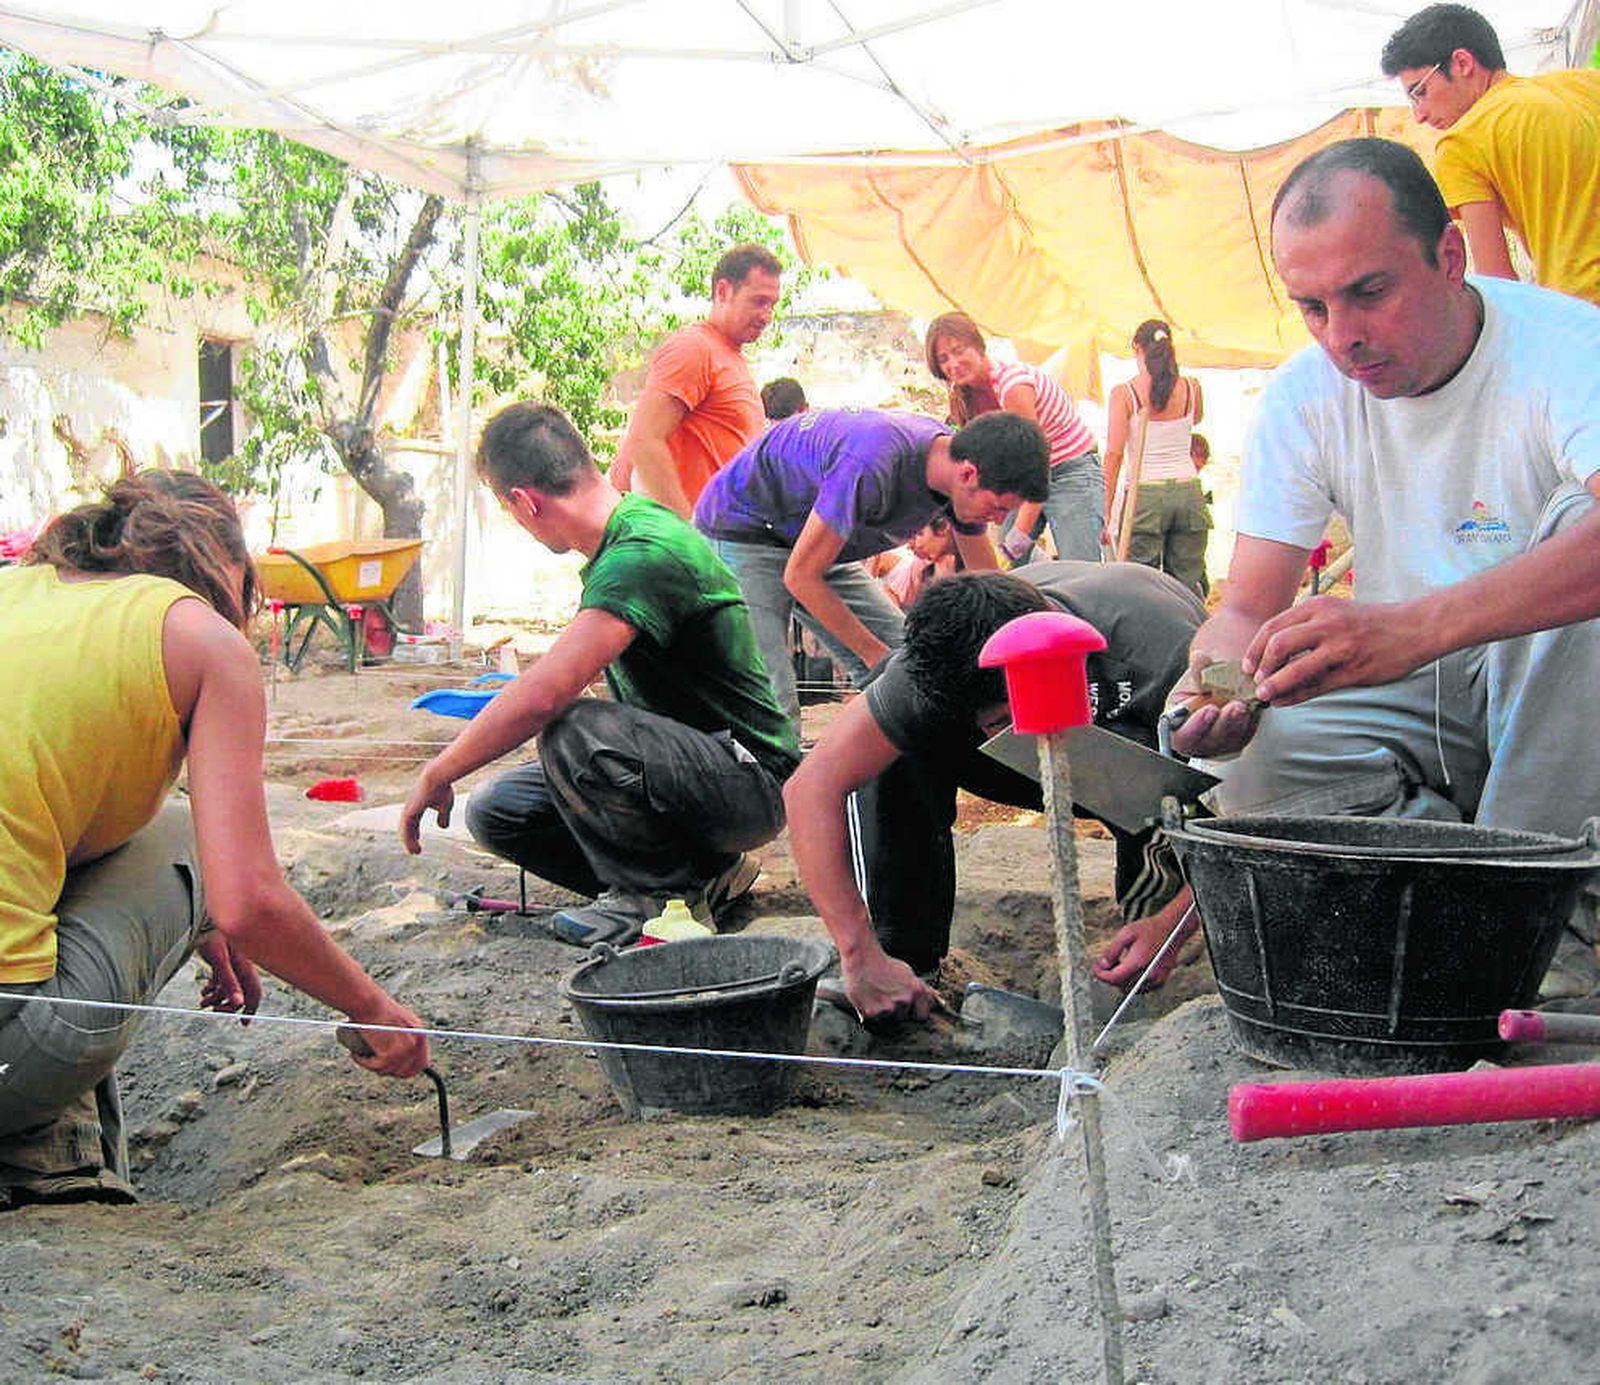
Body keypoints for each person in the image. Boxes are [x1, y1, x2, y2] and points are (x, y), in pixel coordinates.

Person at [1101, 137, 1600, 998]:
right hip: (1420, 684)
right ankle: (1454, 859)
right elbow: (1250, 601)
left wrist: (1410, 628)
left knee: (1581, 533)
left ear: (1449, 255)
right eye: (1313, 307)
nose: (1344, 336)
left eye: (1369, 292)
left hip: (1553, 688)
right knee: (1242, 764)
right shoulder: (1305, 393)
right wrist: (1213, 688)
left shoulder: (1567, 347)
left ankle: (1537, 906)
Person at [0, 473, 428, 1208]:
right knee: (187, 830)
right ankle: (45, 1153)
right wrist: (373, 1008)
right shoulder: (199, 636)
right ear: (223, 565)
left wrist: (197, 922)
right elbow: (249, 901)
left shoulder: (17, 591)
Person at [401, 403, 799, 947]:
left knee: (574, 728)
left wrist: (438, 771)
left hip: (749, 781)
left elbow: (546, 695)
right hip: (697, 771)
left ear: (523, 502)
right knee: (500, 812)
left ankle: (654, 902)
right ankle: (700, 881)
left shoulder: (642, 552)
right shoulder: (625, 537)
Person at [785, 564, 1203, 1023]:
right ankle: (905, 960)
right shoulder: (937, 667)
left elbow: (1248, 813)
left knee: (1166, 845)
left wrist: (1171, 926)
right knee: (895, 754)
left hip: (1142, 749)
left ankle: (1148, 922)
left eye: (1005, 717)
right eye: (990, 724)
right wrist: (859, 953)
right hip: (1014, 740)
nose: (1005, 733)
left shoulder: (1167, 657)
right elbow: (809, 790)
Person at [693, 407, 1049, 721]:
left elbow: (988, 581)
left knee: (913, 664)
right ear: (969, 474)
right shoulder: (872, 461)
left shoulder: (960, 473)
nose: (998, 518)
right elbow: (801, 576)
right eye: (1000, 508)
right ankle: (774, 792)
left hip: (817, 540)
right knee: (773, 699)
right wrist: (872, 655)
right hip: (744, 529)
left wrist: (1028, 639)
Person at [1381, 4, 1600, 305]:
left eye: (1420, 92)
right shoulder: (1585, 84)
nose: (1418, 115)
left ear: (1462, 62)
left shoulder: (1462, 144)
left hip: (1586, 310)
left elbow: (1499, 283)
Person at [610, 244, 783, 517]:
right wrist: (689, 537)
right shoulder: (694, 348)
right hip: (696, 542)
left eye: (772, 305)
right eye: (759, 301)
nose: (766, 316)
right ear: (723, 291)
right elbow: (643, 440)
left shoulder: (730, 355)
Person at [925, 312, 1105, 564]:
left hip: (1069, 470)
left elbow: (1034, 465)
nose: (953, 363)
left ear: (977, 345)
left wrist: (1019, 536)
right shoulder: (963, 397)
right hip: (1025, 478)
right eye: (944, 358)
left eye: (959, 350)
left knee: (1079, 563)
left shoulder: (1013, 384)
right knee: (1011, 556)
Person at [1103, 319, 1209, 595]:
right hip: (1188, 491)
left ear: (1137, 348)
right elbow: (1195, 419)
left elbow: (1113, 455)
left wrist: (1104, 509)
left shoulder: (1126, 393)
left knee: (1140, 583)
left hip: (1145, 494)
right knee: (1187, 582)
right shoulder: (1192, 388)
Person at [880, 516, 963, 611]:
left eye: (918, 535)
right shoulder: (924, 564)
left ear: (943, 527)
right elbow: (892, 595)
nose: (910, 545)